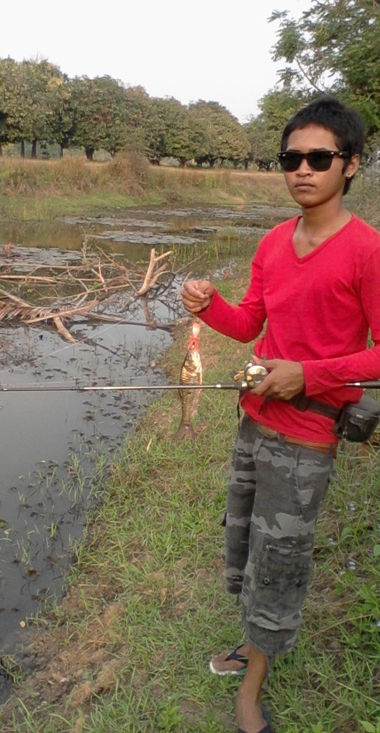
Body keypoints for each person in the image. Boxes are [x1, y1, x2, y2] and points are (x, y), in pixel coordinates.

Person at [181, 96, 380, 733]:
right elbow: (248, 324)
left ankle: (252, 687)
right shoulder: (270, 242)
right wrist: (209, 305)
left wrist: (310, 375)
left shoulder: (367, 252)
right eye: (290, 158)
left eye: (319, 158)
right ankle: (253, 643)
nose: (302, 169)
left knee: (282, 558)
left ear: (350, 165)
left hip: (309, 437)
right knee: (245, 542)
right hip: (254, 421)